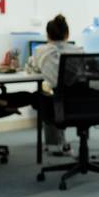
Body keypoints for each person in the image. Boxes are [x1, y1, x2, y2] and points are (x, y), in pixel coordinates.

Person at [27, 14, 82, 154]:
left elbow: (32, 68)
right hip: (81, 103)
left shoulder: (41, 51)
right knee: (54, 94)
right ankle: (59, 142)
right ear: (67, 34)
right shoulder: (79, 50)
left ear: (48, 35)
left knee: (39, 96)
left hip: (57, 103)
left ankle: (54, 144)